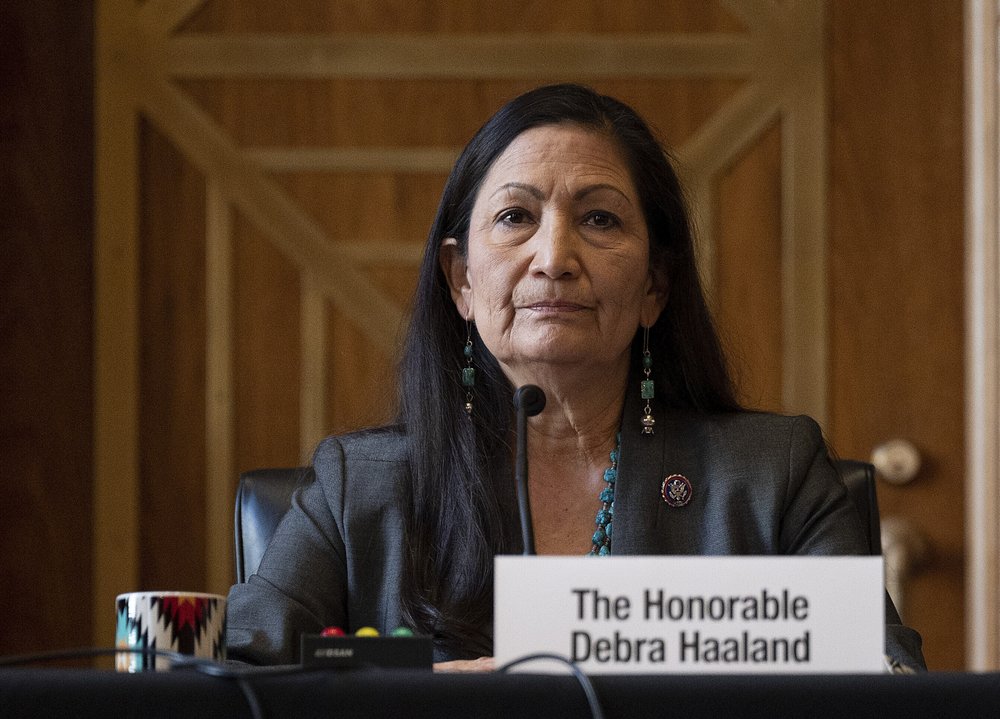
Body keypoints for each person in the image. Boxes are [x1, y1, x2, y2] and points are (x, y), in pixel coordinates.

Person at [225, 83, 925, 671]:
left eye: (598, 218)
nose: (554, 255)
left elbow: (889, 676)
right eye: (514, 217)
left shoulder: (774, 477)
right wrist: (422, 686)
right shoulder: (360, 487)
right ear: (461, 280)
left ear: (655, 284)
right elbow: (243, 671)